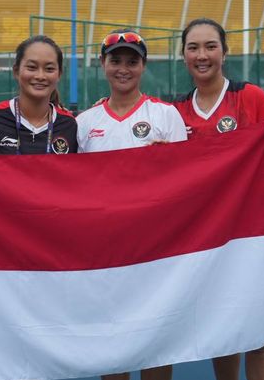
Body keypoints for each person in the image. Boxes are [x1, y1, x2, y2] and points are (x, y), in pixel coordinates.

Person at [172, 18, 264, 380]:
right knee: (223, 331)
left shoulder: (250, 96)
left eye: (210, 46)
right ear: (183, 55)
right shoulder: (175, 111)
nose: (202, 55)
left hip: (254, 229)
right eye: (194, 47)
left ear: (225, 51)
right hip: (206, 234)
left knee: (258, 333)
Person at [76, 29, 187, 380]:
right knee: (112, 338)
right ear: (103, 65)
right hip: (105, 250)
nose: (123, 69)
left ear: (143, 66)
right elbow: (73, 187)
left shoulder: (166, 116)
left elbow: (187, 180)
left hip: (156, 248)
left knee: (156, 337)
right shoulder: (84, 123)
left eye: (132, 61)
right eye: (116, 61)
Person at [0, 35, 77, 155]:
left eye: (49, 69)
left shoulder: (69, 125)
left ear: (59, 74)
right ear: (16, 71)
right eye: (32, 67)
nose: (40, 76)